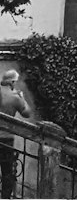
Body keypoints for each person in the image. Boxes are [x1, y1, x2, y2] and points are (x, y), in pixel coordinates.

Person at [0, 69, 31, 199]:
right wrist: (22, 98)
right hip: (6, 138)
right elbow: (27, 113)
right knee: (8, 172)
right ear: (12, 82)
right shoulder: (15, 97)